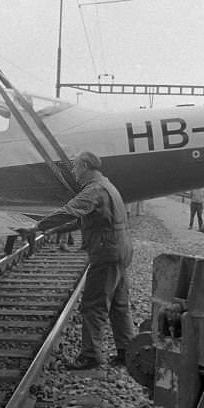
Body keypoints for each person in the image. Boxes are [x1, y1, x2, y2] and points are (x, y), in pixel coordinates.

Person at [20, 151, 134, 369]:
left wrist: (37, 226)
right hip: (121, 249)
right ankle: (126, 351)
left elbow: (70, 211)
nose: (73, 172)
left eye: (74, 167)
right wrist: (54, 230)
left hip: (106, 250)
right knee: (119, 304)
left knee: (93, 305)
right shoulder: (107, 185)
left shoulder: (94, 190)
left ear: (84, 166)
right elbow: (86, 221)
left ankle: (90, 356)